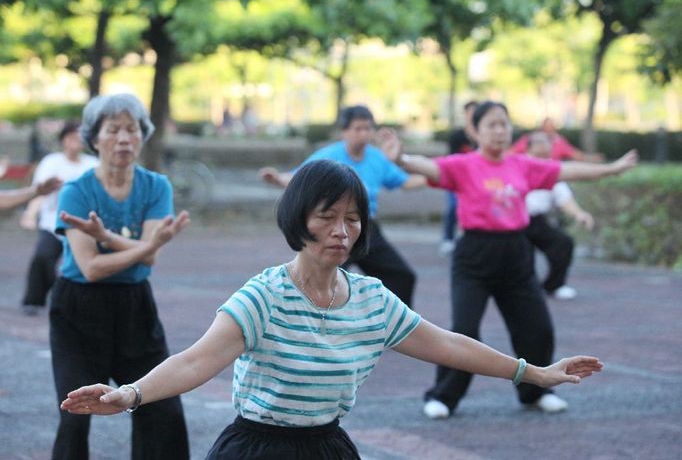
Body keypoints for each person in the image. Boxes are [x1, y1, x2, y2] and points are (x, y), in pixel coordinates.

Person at [60, 159, 604, 460]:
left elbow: (450, 344)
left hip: (327, 449)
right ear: (299, 218)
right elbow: (195, 362)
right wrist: (128, 395)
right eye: (327, 217)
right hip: (257, 450)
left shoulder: (370, 301)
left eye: (353, 218)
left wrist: (533, 372)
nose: (342, 232)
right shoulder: (264, 296)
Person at [381, 100, 636, 419]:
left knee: (537, 328)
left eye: (504, 123)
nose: (500, 131)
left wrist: (612, 168)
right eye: (491, 124)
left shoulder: (523, 165)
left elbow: (567, 170)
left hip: (516, 254)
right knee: (465, 329)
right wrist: (402, 158)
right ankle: (444, 396)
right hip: (474, 256)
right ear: (475, 130)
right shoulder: (463, 165)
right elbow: (429, 167)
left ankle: (536, 392)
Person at [50, 93, 190, 459]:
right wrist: (147, 247)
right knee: (75, 414)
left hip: (135, 309)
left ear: (143, 136)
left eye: (132, 130)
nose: (124, 139)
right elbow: (92, 269)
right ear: (94, 139)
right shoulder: (76, 192)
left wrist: (107, 240)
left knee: (163, 410)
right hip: (78, 312)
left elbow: (148, 261)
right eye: (113, 130)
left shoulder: (156, 186)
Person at [260, 105, 425, 308]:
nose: (363, 134)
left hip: (364, 228)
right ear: (344, 131)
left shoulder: (377, 157)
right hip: (332, 228)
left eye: (367, 128)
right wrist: (277, 179)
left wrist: (439, 177)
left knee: (402, 277)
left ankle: (393, 330)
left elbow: (405, 182)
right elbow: (299, 178)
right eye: (357, 128)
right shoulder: (329, 156)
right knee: (322, 280)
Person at [19, 121, 99, 316]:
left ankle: (75, 301)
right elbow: (39, 192)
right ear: (63, 139)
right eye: (71, 136)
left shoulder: (93, 165)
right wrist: (30, 214)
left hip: (84, 226)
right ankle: (34, 299)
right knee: (43, 257)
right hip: (52, 223)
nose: (76, 141)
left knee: (82, 264)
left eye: (80, 136)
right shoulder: (52, 163)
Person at [525, 131, 594, 301]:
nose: (543, 146)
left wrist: (579, 214)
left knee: (563, 244)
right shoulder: (517, 165)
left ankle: (553, 285)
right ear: (529, 148)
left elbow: (564, 198)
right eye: (538, 142)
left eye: (546, 142)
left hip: (537, 221)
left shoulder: (552, 169)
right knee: (520, 258)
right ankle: (523, 289)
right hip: (514, 222)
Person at [441, 100, 478, 256]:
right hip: (457, 180)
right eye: (469, 113)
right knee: (453, 207)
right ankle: (448, 239)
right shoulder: (457, 136)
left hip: (476, 180)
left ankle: (466, 239)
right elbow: (450, 160)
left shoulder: (482, 136)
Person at [510, 117, 603, 162]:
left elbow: (576, 155)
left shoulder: (559, 142)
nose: (549, 131)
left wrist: (592, 158)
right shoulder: (529, 139)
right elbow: (510, 153)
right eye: (546, 128)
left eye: (552, 128)